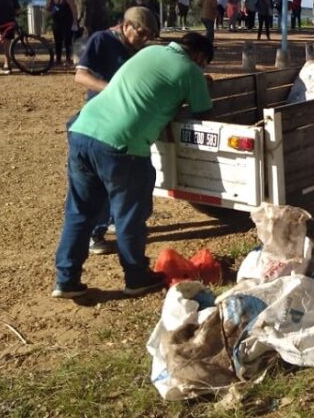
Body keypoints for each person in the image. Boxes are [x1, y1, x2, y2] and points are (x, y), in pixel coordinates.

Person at [52, 31, 214, 299]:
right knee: (129, 215)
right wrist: (198, 85)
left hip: (83, 130)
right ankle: (137, 278)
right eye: (203, 64)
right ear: (198, 56)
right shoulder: (190, 71)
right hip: (122, 144)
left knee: (80, 212)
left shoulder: (149, 51)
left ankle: (66, 280)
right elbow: (203, 113)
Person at [74, 6, 159, 255]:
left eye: (149, 37)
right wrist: (113, 90)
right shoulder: (102, 40)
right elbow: (81, 76)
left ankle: (116, 221)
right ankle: (94, 233)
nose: (144, 40)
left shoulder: (138, 50)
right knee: (103, 180)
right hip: (103, 120)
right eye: (141, 34)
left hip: (129, 123)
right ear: (126, 25)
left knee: (139, 176)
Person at [45, 0, 79, 67]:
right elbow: (47, 12)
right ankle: (58, 60)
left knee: (67, 42)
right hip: (56, 23)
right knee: (57, 42)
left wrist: (75, 22)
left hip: (67, 23)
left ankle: (68, 59)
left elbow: (74, 10)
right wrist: (52, 12)